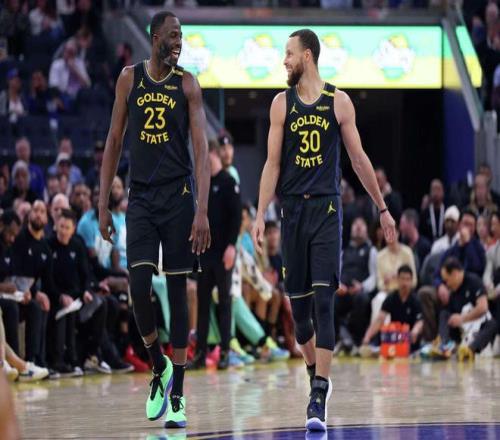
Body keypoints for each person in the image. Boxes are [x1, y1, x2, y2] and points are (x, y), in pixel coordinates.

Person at [252, 28, 396, 432]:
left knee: (323, 303)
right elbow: (272, 165)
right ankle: (315, 371)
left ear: (308, 56)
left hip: (327, 210)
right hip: (292, 213)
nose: (284, 60)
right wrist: (260, 213)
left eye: (289, 53)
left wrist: (382, 208)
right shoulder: (281, 104)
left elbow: (359, 159)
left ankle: (318, 392)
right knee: (300, 318)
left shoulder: (339, 101)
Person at [98, 11, 210, 429]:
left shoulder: (188, 85)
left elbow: (201, 150)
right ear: (155, 36)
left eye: (182, 35)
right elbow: (114, 140)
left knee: (178, 292)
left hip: (178, 197)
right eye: (173, 35)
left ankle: (177, 390)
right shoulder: (129, 79)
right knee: (138, 286)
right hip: (141, 197)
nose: (179, 41)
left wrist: (202, 209)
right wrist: (102, 203)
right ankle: (157, 363)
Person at [191, 139, 241, 370]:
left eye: (206, 155)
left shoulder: (229, 182)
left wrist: (232, 246)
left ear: (214, 154)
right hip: (206, 253)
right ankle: (200, 353)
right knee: (202, 303)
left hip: (223, 253)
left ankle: (225, 352)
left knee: (224, 302)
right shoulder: (203, 183)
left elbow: (236, 218)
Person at [437, 257, 497, 361]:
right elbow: (449, 317)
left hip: (478, 325)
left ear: (455, 273)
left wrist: (462, 318)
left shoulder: (473, 281)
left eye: (447, 280)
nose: (446, 284)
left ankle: (470, 350)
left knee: (492, 324)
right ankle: (444, 345)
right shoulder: (453, 292)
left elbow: (483, 307)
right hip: (462, 330)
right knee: (444, 314)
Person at [336, 217, 376, 352]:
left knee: (361, 299)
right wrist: (338, 285)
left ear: (367, 230)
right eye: (355, 224)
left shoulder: (371, 250)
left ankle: (356, 340)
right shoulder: (343, 251)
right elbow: (336, 272)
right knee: (328, 299)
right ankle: (336, 339)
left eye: (361, 224)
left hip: (360, 291)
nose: (358, 227)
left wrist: (362, 286)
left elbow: (374, 276)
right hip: (343, 291)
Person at [362, 265, 423, 351]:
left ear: (411, 281)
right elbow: (380, 319)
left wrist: (415, 331)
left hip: (411, 339)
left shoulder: (416, 300)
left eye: (407, 279)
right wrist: (367, 337)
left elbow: (420, 321)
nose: (405, 283)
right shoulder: (391, 298)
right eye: (402, 279)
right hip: (394, 338)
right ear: (397, 279)